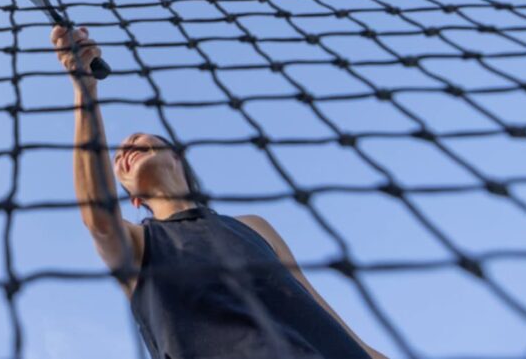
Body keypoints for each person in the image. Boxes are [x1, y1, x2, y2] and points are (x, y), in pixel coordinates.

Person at [51, 25, 387, 359]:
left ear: (176, 155)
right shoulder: (139, 247)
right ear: (134, 199)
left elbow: (316, 307)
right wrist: (85, 88)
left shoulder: (255, 226)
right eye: (118, 158)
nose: (125, 149)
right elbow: (99, 219)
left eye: (137, 139)